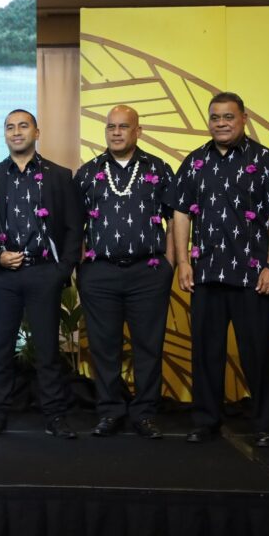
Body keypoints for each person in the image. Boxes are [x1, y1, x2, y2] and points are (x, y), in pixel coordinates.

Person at [171, 91, 269, 447]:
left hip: (253, 276)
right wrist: (182, 262)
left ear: (243, 118)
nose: (221, 123)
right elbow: (181, 212)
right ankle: (205, 420)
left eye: (228, 117)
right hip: (206, 274)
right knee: (206, 354)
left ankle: (264, 423)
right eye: (215, 117)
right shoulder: (194, 161)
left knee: (259, 353)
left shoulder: (266, 159)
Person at [0, 109, 83, 439]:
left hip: (44, 274)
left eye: (23, 126)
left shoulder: (59, 176)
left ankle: (55, 416)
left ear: (37, 132)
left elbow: (75, 227)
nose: (16, 132)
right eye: (10, 127)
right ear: (4, 134)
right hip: (3, 277)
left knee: (47, 349)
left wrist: (63, 271)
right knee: (1, 349)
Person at [73, 105, 175, 439]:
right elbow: (74, 225)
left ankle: (145, 414)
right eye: (111, 127)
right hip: (99, 273)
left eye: (124, 127)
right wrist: (79, 269)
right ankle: (109, 412)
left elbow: (175, 220)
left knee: (149, 346)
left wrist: (171, 263)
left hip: (148, 272)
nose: (116, 132)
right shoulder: (88, 172)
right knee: (104, 347)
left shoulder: (159, 169)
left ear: (138, 131)